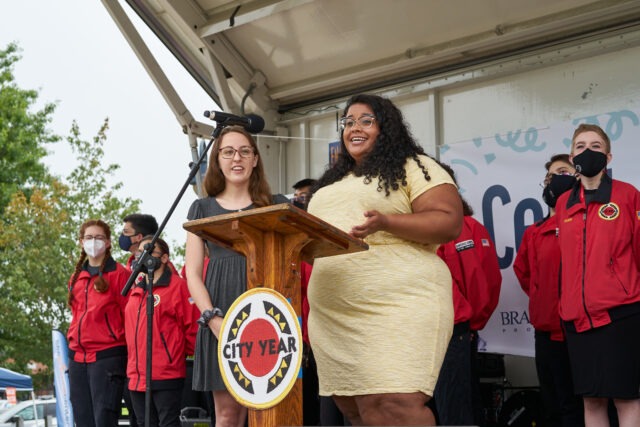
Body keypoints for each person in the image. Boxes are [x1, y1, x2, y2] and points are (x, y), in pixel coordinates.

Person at [306, 93, 463, 426]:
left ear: (386, 128)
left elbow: (449, 220)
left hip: (397, 305)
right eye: (348, 122)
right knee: (359, 410)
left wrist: (386, 222)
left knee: (394, 405)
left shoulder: (414, 166)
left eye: (366, 120)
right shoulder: (326, 187)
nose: (354, 128)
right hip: (334, 317)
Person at [184, 125, 290, 427]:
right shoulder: (202, 208)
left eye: (245, 151)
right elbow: (192, 274)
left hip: (268, 316)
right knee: (228, 415)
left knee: (268, 414)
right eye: (228, 152)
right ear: (217, 160)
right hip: (221, 314)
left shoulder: (275, 204)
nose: (237, 158)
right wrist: (213, 319)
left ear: (256, 159)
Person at [555, 123, 640, 427]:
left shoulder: (629, 195)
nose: (587, 151)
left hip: (621, 313)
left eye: (595, 146)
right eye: (580, 146)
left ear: (609, 156)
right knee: (591, 400)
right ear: (571, 155)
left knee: (626, 398)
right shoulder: (564, 203)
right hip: (577, 318)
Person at [513, 153, 584, 427]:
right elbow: (524, 273)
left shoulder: (585, 222)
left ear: (576, 178)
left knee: (580, 404)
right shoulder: (534, 232)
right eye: (549, 177)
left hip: (579, 331)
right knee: (553, 404)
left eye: (562, 173)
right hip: (545, 333)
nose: (553, 181)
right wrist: (544, 297)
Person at [434, 162, 502, 427]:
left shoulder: (468, 228)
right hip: (421, 334)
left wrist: (470, 324)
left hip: (455, 331)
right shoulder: (414, 230)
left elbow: (483, 283)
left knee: (455, 408)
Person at [124, 235, 195, 427]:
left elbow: (193, 328)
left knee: (168, 423)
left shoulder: (178, 287)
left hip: (166, 374)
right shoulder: (135, 290)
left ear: (164, 258)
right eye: (140, 252)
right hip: (136, 376)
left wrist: (174, 354)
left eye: (148, 251)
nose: (142, 256)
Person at [67, 219, 129, 427]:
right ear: (81, 242)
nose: (93, 242)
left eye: (99, 237)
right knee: (83, 420)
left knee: (103, 419)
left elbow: (129, 316)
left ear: (109, 242)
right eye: (89, 237)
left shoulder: (119, 274)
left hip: (107, 357)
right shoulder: (76, 278)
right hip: (78, 358)